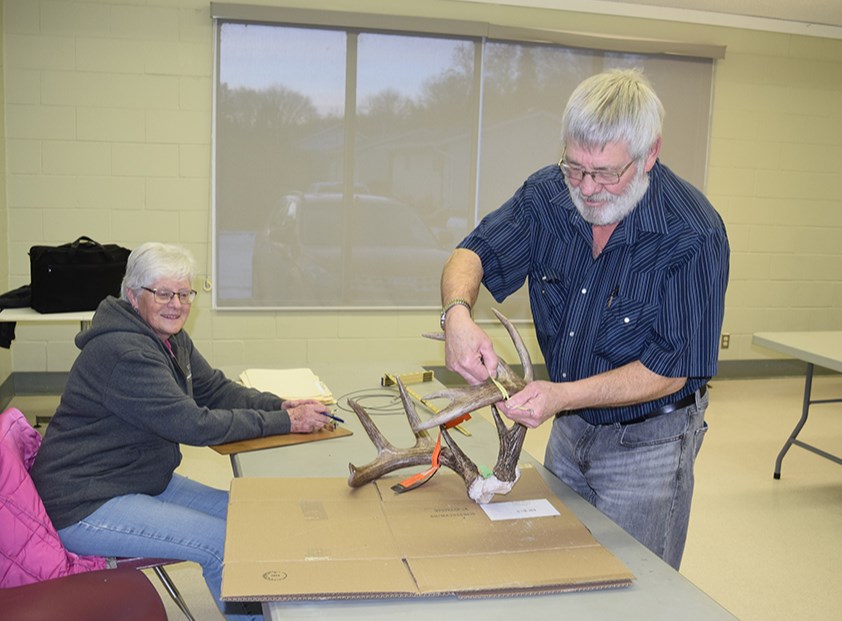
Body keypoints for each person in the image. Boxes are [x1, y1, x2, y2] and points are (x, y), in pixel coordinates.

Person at [439, 69, 729, 570]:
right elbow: (472, 253)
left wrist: (560, 396)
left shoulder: (692, 235)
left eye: (607, 173)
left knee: (635, 583)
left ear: (650, 154)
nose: (588, 188)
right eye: (575, 168)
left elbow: (671, 369)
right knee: (553, 562)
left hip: (650, 445)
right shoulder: (548, 195)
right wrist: (456, 316)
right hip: (569, 430)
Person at [31, 242, 332, 620]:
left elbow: (215, 389)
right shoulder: (126, 353)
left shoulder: (168, 338)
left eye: (184, 293)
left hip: (136, 479)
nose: (177, 304)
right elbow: (193, 424)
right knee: (221, 544)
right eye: (163, 293)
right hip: (86, 502)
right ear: (133, 295)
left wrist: (277, 404)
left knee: (248, 517)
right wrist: (286, 423)